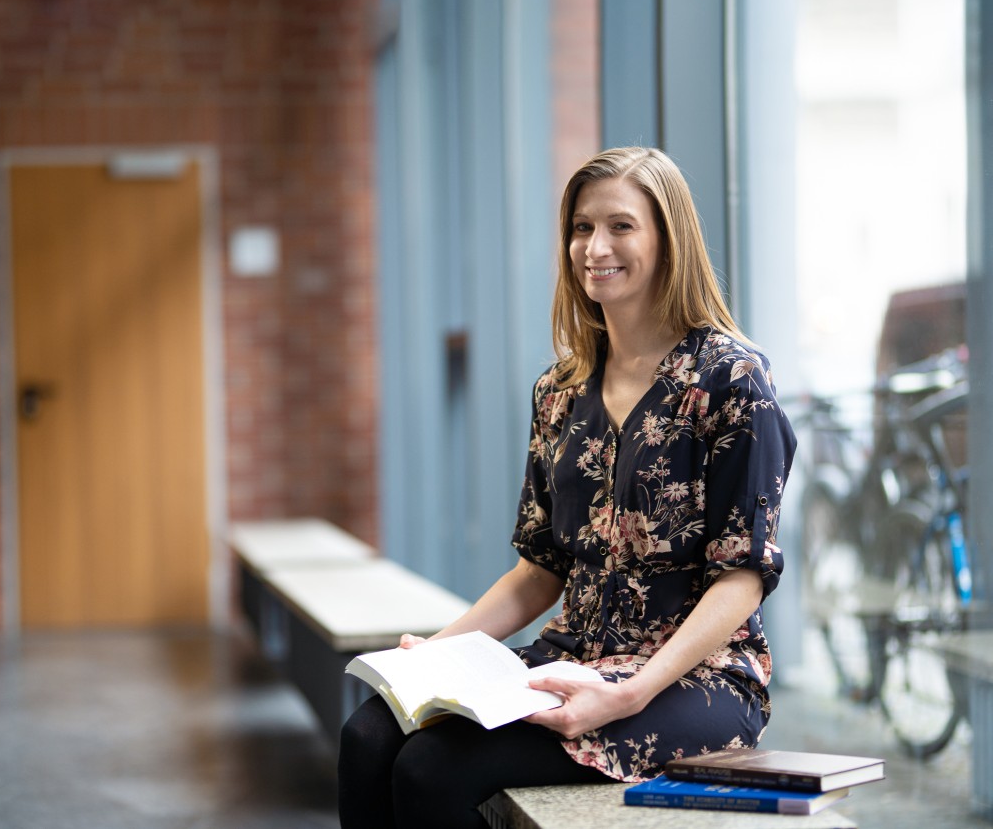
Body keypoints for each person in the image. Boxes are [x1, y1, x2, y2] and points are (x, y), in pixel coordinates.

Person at [337, 146, 798, 829]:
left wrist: (628, 693)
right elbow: (539, 572)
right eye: (582, 228)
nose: (595, 247)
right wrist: (435, 652)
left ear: (669, 241)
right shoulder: (559, 391)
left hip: (693, 679)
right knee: (368, 736)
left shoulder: (730, 381)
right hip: (573, 653)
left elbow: (741, 580)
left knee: (432, 770)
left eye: (621, 226)